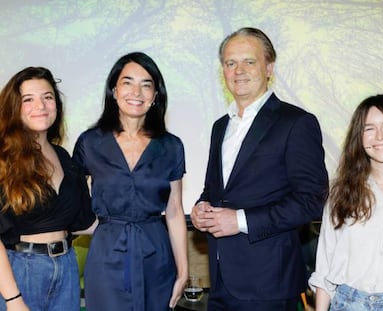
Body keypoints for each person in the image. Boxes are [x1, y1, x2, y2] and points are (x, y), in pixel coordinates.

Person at [190, 27, 329, 311]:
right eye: (230, 63)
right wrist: (200, 208)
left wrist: (239, 221)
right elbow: (214, 190)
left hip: (269, 286)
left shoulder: (296, 123)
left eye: (249, 61)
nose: (238, 70)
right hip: (219, 282)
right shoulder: (220, 126)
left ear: (269, 67)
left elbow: (312, 201)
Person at [72, 52, 188, 311]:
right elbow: (71, 202)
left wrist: (183, 272)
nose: (137, 91)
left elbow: (175, 210)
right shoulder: (90, 142)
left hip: (156, 253)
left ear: (155, 95)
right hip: (107, 254)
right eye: (127, 82)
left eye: (146, 84)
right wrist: (98, 229)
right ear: (114, 90)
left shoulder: (171, 146)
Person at [0, 67, 95, 311]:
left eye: (48, 97)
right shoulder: (4, 159)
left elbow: (84, 222)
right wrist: (13, 299)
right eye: (28, 99)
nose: (41, 105)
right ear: (13, 107)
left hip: (67, 268)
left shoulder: (64, 157)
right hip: (19, 273)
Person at [309, 94, 383, 311]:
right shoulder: (342, 192)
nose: (379, 136)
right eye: (369, 128)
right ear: (359, 137)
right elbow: (326, 265)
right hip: (349, 303)